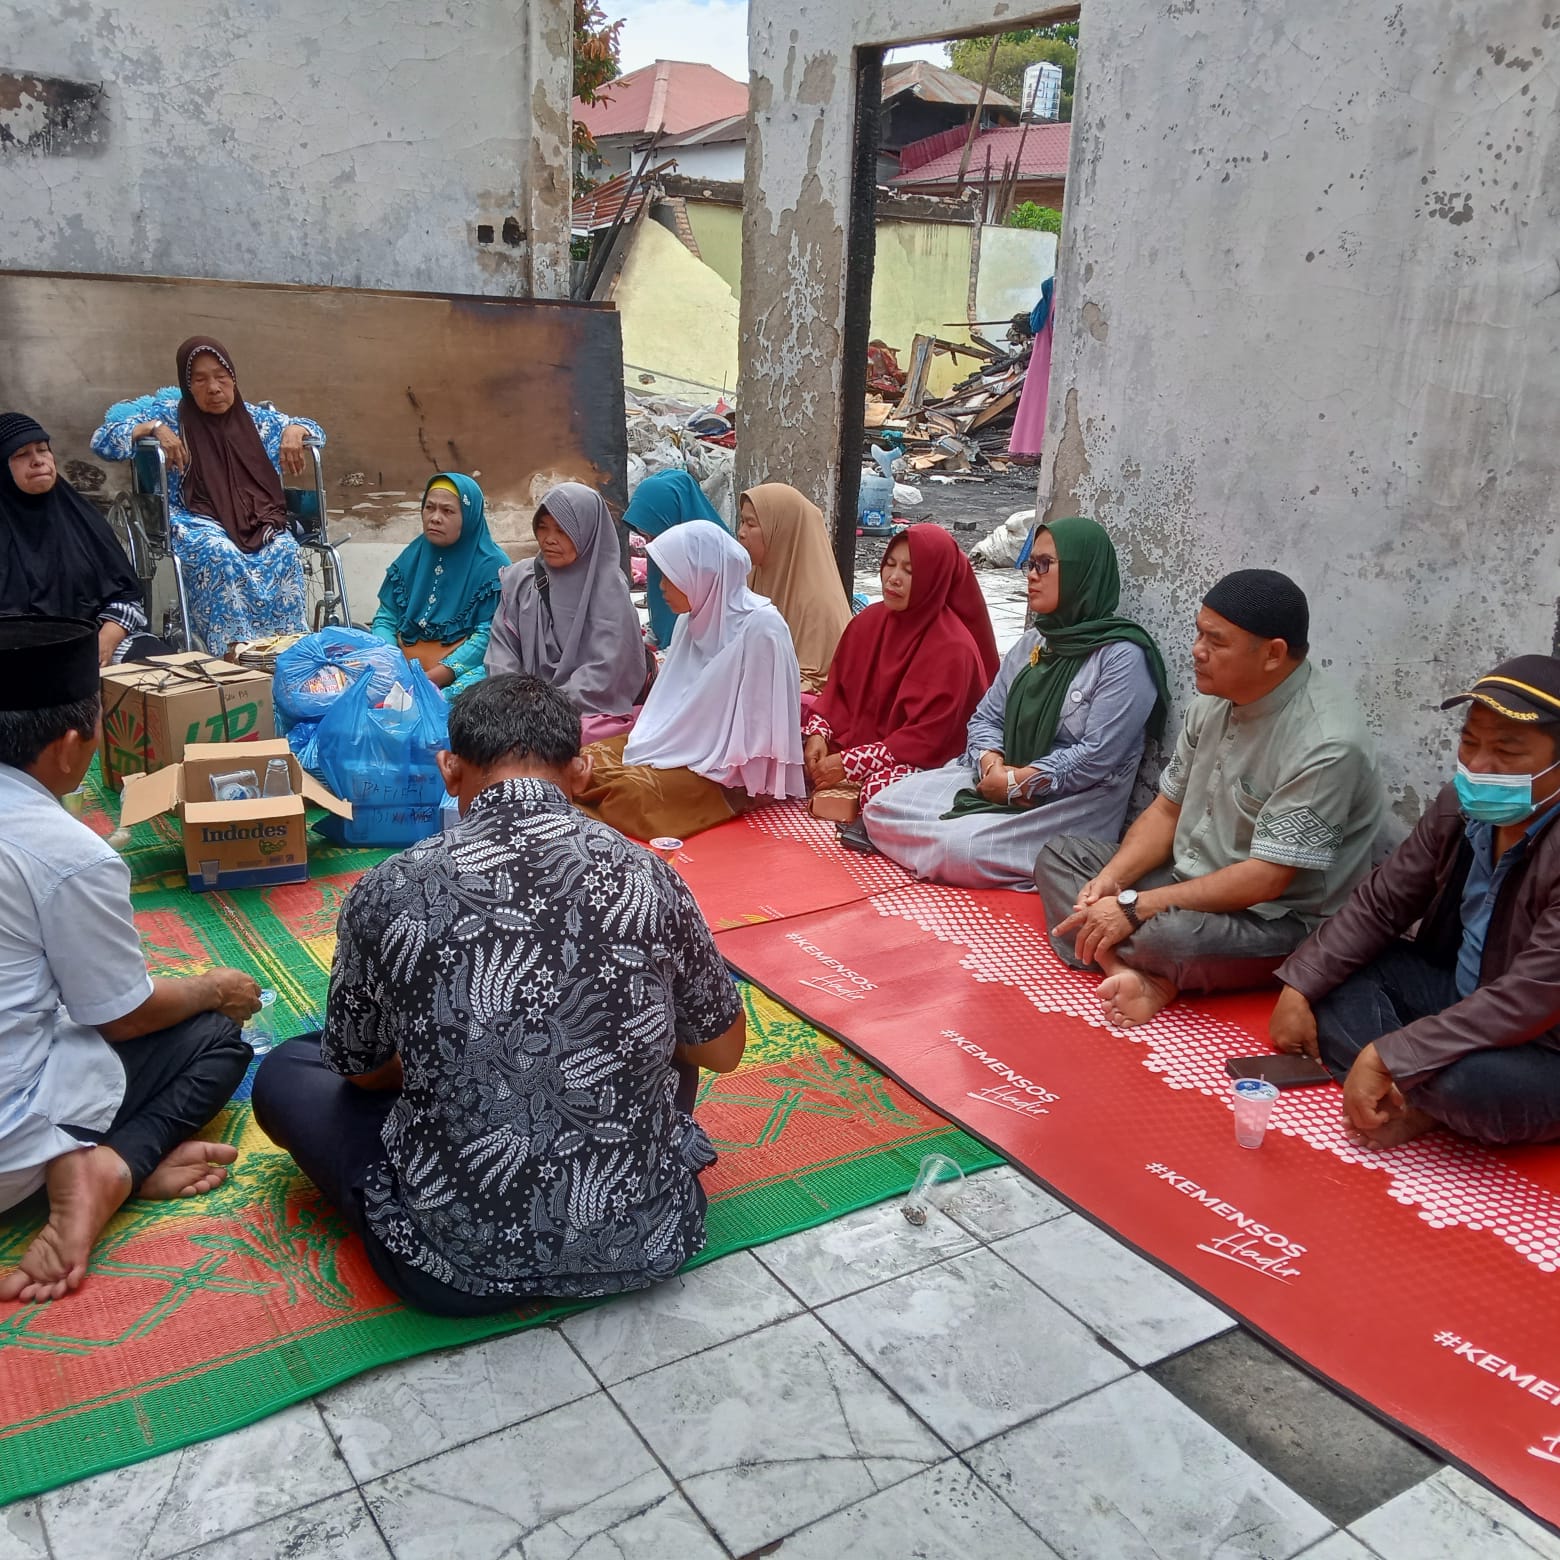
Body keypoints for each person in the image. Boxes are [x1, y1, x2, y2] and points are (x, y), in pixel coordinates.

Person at [250, 674, 746, 1313]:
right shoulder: (650, 875)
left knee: (292, 1067)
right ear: (581, 771)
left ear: (449, 770)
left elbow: (363, 1073)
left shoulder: (389, 888)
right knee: (669, 1029)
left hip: (454, 1264)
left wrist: (457, 1054)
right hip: (646, 1237)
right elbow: (724, 1051)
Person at [0, 617, 259, 1304]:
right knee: (217, 1043)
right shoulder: (66, 852)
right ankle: (110, 1167)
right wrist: (211, 988)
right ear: (69, 746)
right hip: (7, 1142)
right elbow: (123, 1018)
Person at [1037, 568, 1383, 1028]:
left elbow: (1266, 880)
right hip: (1187, 879)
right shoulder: (1213, 701)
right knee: (1061, 855)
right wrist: (1113, 883)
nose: (1197, 651)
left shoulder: (1326, 743)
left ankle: (1145, 962)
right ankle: (1128, 972)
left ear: (1273, 654)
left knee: (1171, 939)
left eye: (1216, 642)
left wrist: (1134, 907)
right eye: (1199, 634)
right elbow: (1166, 811)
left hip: (1275, 920)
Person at [1269, 656, 1560, 1150]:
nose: (1479, 766)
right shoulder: (1461, 806)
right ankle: (1413, 1092)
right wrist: (1298, 985)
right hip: (1461, 996)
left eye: (1507, 751)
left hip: (1543, 1041)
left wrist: (1391, 1055)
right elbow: (1382, 903)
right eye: (1470, 743)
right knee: (1336, 980)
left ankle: (1413, 1090)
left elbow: (1530, 997)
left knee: (1466, 1084)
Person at [865, 518, 1169, 888]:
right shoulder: (1035, 642)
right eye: (1030, 563)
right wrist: (992, 764)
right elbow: (987, 716)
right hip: (1000, 777)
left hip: (1071, 802)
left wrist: (1019, 782)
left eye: (1045, 565)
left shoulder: (1122, 657)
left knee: (957, 848)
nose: (1031, 576)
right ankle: (954, 839)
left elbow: (1097, 756)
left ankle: (961, 845)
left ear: (1082, 573)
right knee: (882, 805)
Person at [90, 337, 323, 654]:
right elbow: (103, 440)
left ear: (233, 378)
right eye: (200, 379)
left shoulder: (257, 420)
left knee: (284, 548)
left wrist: (295, 431)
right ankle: (228, 652)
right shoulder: (172, 416)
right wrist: (154, 428)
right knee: (219, 552)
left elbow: (315, 430)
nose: (213, 387)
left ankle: (286, 650)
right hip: (194, 516)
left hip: (254, 515)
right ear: (187, 385)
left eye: (221, 376)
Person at [575, 521, 806, 840]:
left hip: (731, 771)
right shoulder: (690, 620)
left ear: (704, 574)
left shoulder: (762, 629)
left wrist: (702, 761)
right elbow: (671, 703)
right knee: (585, 756)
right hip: (686, 744)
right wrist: (671, 745)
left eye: (671, 577)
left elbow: (760, 736)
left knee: (631, 793)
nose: (661, 588)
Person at [804, 525, 999, 818]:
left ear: (935, 578)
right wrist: (819, 734)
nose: (893, 578)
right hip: (858, 744)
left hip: (926, 762)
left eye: (910, 571)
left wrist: (853, 762)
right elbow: (837, 695)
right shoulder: (868, 623)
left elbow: (930, 740)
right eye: (890, 565)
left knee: (880, 793)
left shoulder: (954, 649)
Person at [485, 482, 650, 739]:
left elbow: (605, 670)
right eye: (542, 527)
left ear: (586, 532)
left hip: (584, 712)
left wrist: (547, 705)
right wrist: (513, 698)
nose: (549, 539)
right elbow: (502, 648)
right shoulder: (520, 579)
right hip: (520, 706)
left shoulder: (607, 590)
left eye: (562, 530)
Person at [0, 412, 167, 665]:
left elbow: (125, 597)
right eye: (21, 455)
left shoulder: (80, 518)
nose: (37, 461)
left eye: (43, 450)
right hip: (21, 656)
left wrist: (105, 643)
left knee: (164, 669)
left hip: (93, 639)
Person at [370, 473, 506, 701]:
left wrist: (431, 678)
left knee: (487, 681)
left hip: (460, 671)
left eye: (448, 511)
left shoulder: (493, 567)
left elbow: (488, 636)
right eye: (429, 508)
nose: (435, 518)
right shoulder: (413, 555)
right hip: (402, 667)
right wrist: (389, 663)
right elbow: (387, 617)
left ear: (469, 517)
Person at [738, 483, 853, 694]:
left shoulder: (818, 604)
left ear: (780, 530)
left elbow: (813, 684)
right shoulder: (753, 575)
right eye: (742, 522)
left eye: (751, 524)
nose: (741, 533)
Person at [623, 470, 726, 651]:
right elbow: (661, 626)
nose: (650, 546)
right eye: (645, 537)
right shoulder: (661, 556)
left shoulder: (720, 567)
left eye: (653, 535)